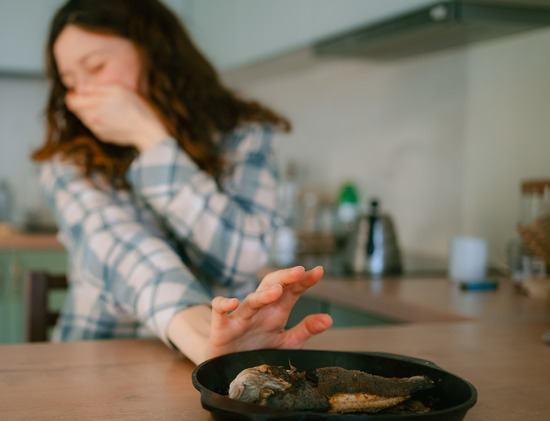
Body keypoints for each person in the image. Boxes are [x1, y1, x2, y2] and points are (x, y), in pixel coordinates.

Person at [32, 0, 332, 364]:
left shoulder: (245, 135)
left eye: (96, 67)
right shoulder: (67, 161)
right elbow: (125, 249)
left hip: (223, 364)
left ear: (154, 51)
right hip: (101, 367)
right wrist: (202, 336)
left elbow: (244, 256)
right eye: (70, 82)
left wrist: (151, 140)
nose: (83, 96)